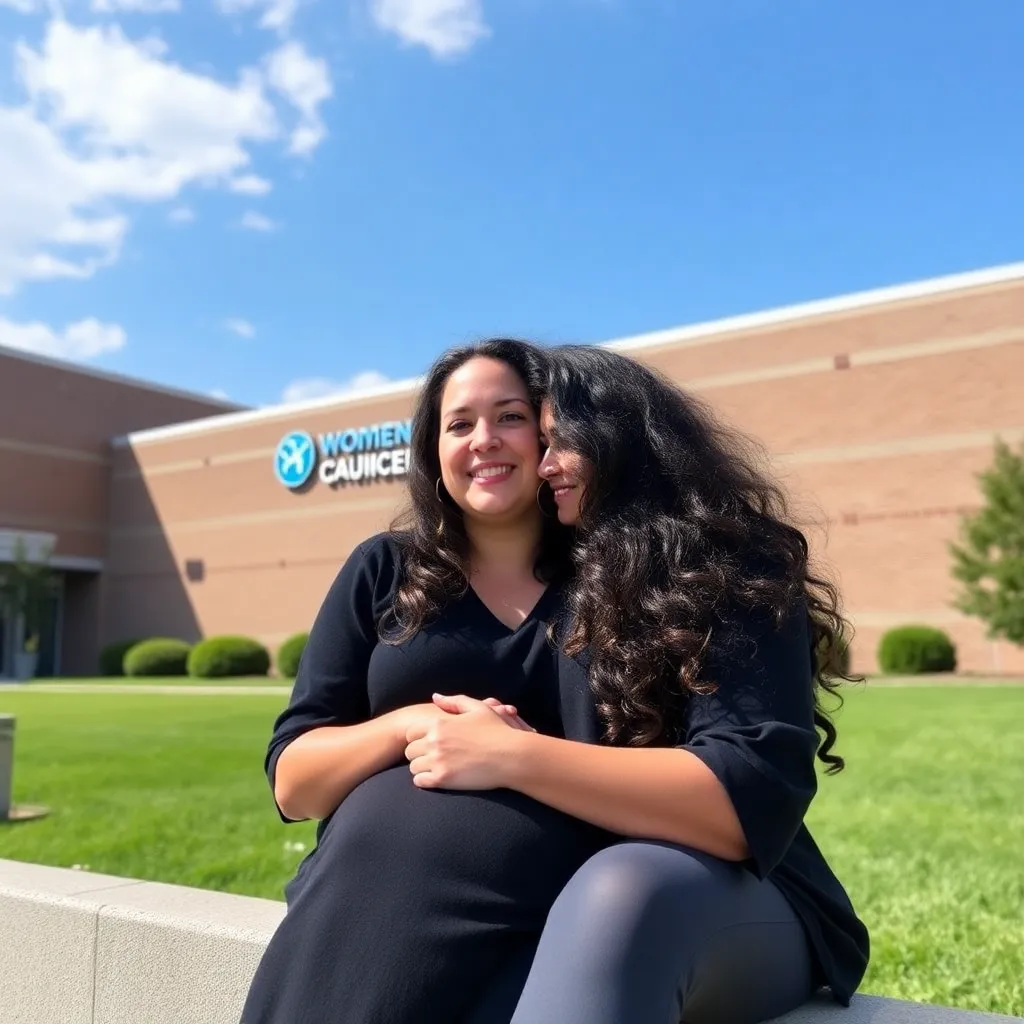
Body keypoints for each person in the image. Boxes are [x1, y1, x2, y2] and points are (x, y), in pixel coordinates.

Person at [409, 344, 870, 1023]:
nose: (542, 466)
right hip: (589, 899)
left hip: (748, 896)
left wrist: (514, 755)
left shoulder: (738, 565)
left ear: (623, 436)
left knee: (625, 890)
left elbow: (746, 798)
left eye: (560, 441)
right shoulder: (577, 578)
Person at [238, 338, 612, 1024]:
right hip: (368, 898)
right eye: (460, 423)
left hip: (552, 911)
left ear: (552, 436)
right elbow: (294, 786)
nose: (484, 441)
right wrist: (414, 725)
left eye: (510, 417)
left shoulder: (612, 581)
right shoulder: (383, 571)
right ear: (432, 450)